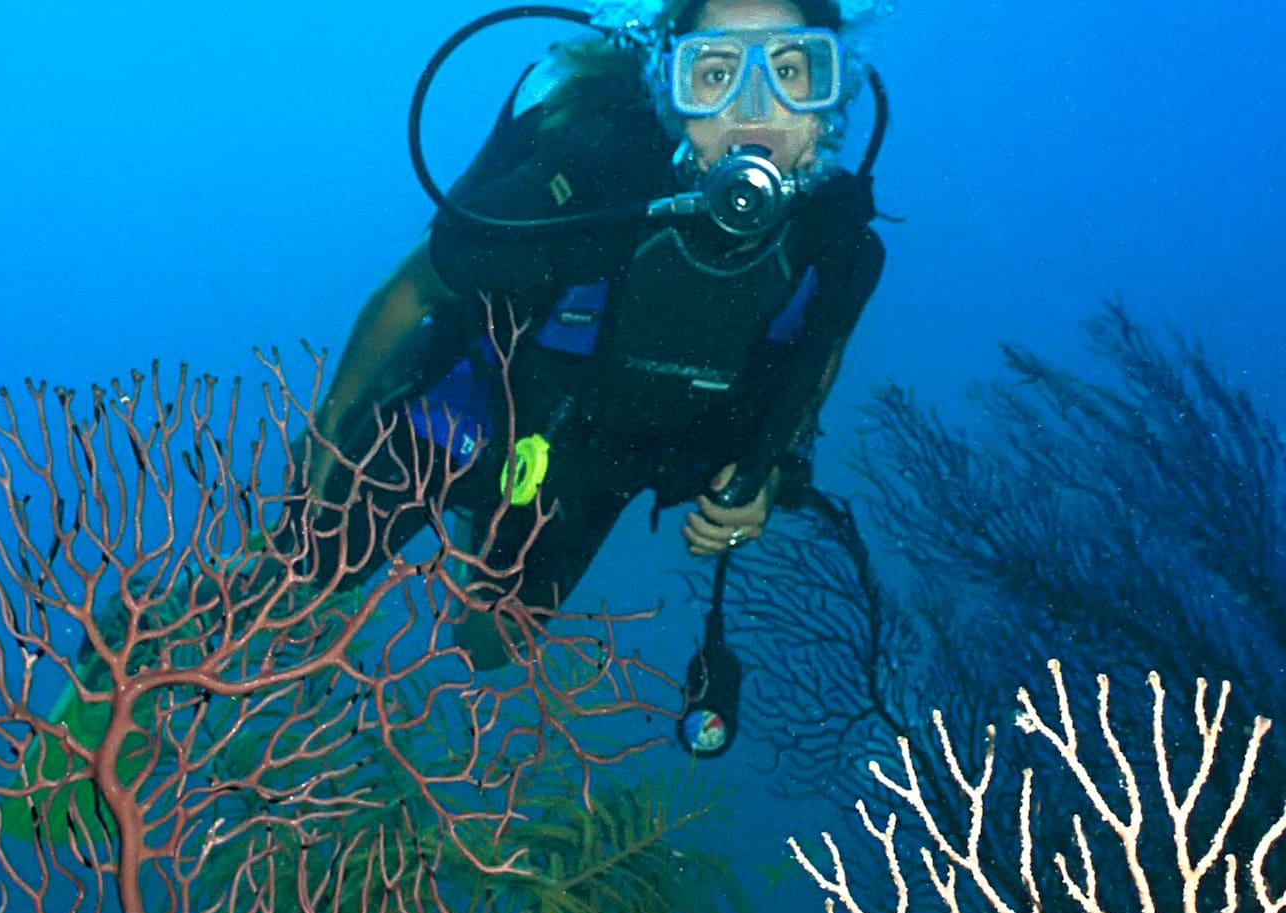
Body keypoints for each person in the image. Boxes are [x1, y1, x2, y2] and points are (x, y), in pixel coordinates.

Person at [293, 0, 885, 668]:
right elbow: (413, 288)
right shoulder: (594, 176)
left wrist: (770, 473)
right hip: (479, 406)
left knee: (487, 647)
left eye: (790, 69)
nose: (755, 105)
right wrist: (329, 428)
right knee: (307, 566)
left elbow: (818, 358)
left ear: (835, 88)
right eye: (715, 74)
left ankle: (485, 530)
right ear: (672, 88)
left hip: (604, 463)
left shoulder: (837, 247)